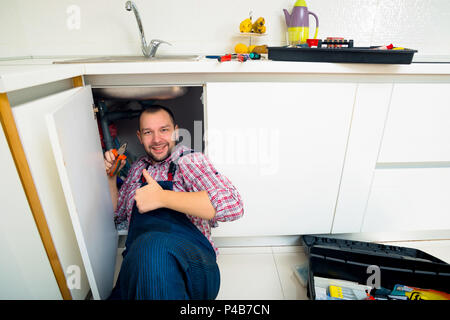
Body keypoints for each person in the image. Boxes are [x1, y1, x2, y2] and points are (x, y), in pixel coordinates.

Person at [104, 105, 244, 300]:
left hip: (193, 264)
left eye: (164, 130)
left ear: (176, 131)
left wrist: (162, 197)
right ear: (139, 137)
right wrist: (111, 178)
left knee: (153, 248)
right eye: (148, 132)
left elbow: (233, 204)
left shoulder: (189, 160)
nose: (156, 139)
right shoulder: (137, 168)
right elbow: (117, 216)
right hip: (138, 264)